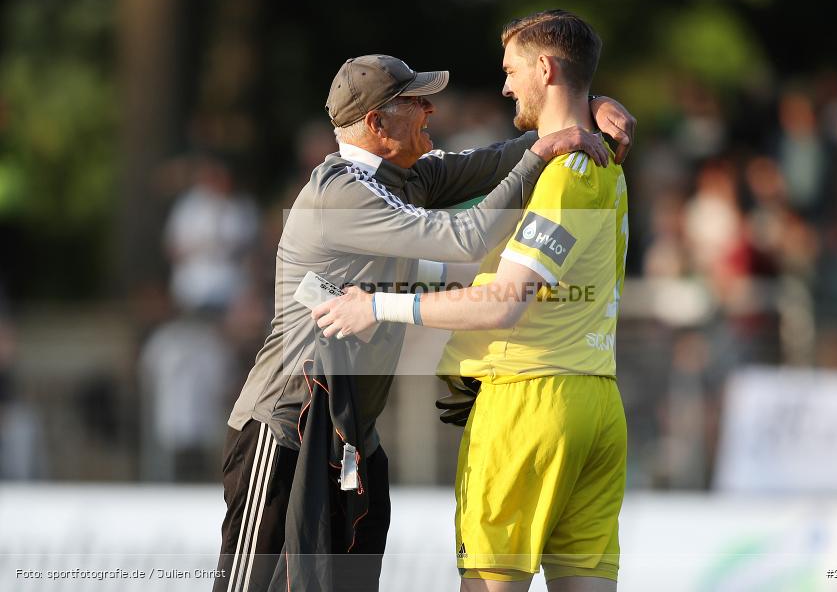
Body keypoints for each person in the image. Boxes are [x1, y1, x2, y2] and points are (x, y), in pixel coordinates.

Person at [214, 52, 634, 592]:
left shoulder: (406, 176)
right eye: (414, 101)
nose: (430, 108)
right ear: (376, 124)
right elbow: (467, 236)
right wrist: (547, 148)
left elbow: (499, 159)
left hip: (348, 438)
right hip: (285, 427)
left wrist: (586, 108)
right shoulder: (339, 194)